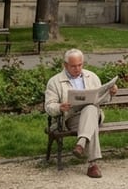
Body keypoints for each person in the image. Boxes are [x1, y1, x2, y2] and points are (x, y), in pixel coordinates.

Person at [44, 48, 116, 179]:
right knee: (91, 121)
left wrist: (110, 93)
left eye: (80, 65)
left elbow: (101, 100)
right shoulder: (54, 82)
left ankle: (81, 143)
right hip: (70, 119)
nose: (77, 69)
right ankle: (92, 165)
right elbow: (49, 106)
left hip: (94, 114)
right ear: (65, 65)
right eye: (73, 66)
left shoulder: (92, 76)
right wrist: (60, 107)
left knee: (90, 108)